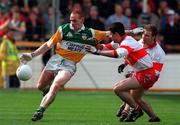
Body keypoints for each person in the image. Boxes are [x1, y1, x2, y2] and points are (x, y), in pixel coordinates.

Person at [20, 10, 109, 121]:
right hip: (56, 60)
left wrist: (131, 32)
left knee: (56, 85)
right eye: (70, 20)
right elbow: (48, 44)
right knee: (40, 86)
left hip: (70, 65)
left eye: (74, 20)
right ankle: (47, 93)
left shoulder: (91, 33)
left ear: (82, 19)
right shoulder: (63, 29)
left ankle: (40, 110)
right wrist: (32, 55)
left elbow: (112, 32)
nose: (72, 22)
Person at [85, 22, 157, 122]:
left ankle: (136, 110)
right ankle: (154, 117)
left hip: (146, 73)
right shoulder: (120, 41)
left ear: (116, 34)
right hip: (142, 72)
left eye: (111, 34)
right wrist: (96, 45)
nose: (110, 36)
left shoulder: (127, 42)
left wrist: (97, 52)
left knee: (117, 89)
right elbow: (105, 47)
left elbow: (117, 54)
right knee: (136, 98)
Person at [116, 24, 166, 122]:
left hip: (148, 77)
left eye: (147, 35)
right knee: (137, 98)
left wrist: (133, 74)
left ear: (154, 37)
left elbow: (154, 72)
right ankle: (154, 117)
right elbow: (131, 53)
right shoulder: (140, 42)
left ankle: (126, 110)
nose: (143, 37)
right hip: (138, 73)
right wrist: (124, 64)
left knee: (129, 94)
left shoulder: (159, 53)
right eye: (143, 34)